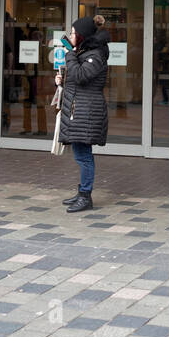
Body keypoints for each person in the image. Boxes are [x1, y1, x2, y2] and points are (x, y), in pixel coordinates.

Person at [54, 17, 109, 214]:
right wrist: (62, 79)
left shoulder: (96, 55)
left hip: (87, 111)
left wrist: (69, 54)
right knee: (80, 154)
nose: (70, 36)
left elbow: (81, 76)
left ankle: (86, 196)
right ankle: (82, 193)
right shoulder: (84, 53)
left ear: (82, 35)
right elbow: (76, 78)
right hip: (80, 109)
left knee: (84, 156)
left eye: (73, 33)